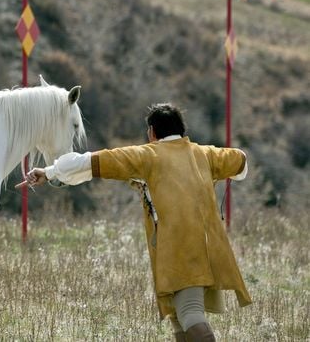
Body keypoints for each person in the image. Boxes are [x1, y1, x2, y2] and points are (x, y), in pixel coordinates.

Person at [17, 103, 250, 342]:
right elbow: (240, 160)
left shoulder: (148, 156)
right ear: (181, 129)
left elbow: (92, 161)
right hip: (204, 246)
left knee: (190, 316)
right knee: (179, 321)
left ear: (152, 131)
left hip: (179, 250)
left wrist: (50, 171)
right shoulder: (205, 154)